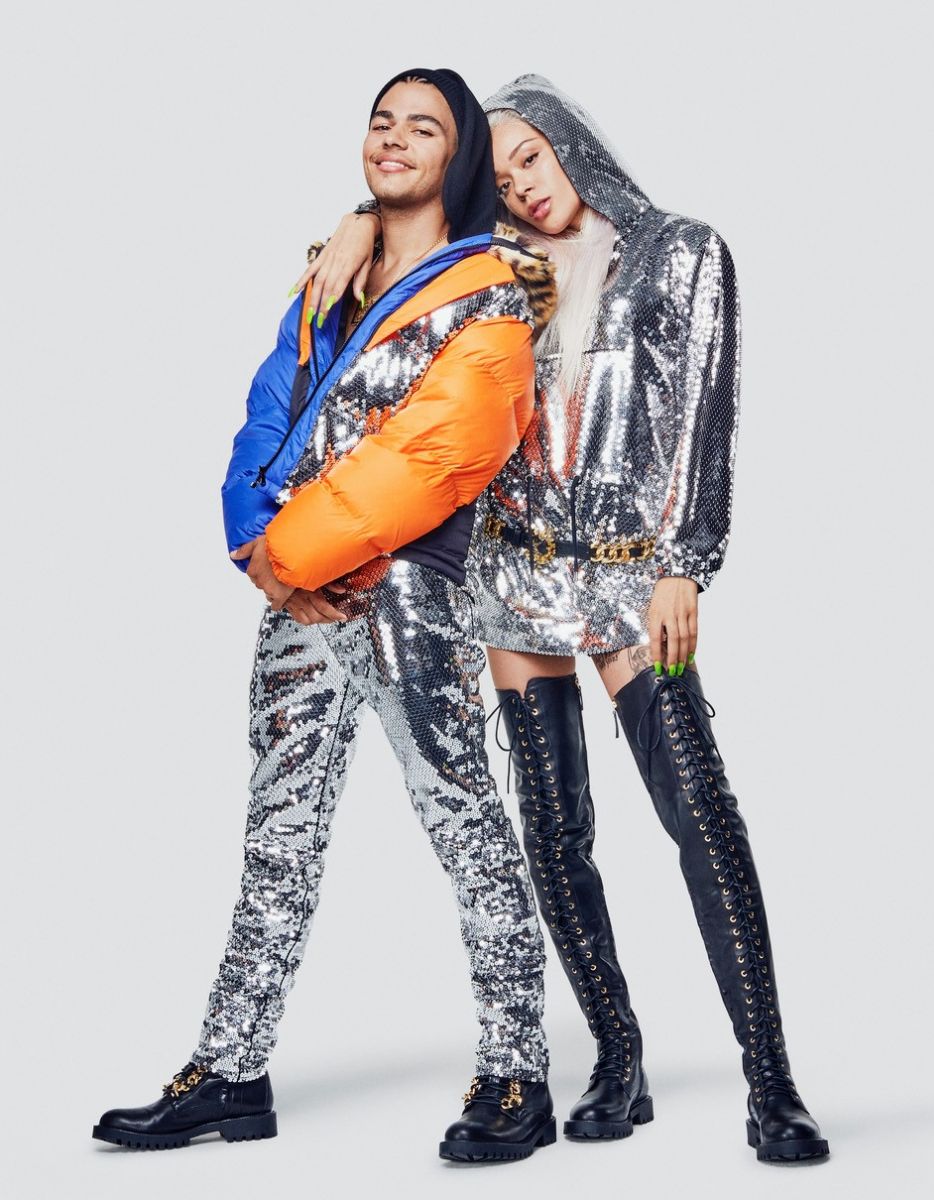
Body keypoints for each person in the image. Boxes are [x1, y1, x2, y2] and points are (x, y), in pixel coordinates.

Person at [297, 73, 829, 1164]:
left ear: (568, 140)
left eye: (530, 159)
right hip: (514, 577)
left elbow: (706, 419)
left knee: (700, 817)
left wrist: (687, 563)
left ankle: (771, 1082)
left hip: (635, 580)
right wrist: (355, 223)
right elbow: (409, 261)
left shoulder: (680, 253)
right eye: (497, 179)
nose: (523, 189)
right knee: (553, 831)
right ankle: (617, 1058)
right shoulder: (493, 272)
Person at [92, 68, 561, 1164]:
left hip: (408, 598)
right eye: (380, 121)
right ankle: (230, 1071)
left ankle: (517, 1073)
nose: (392, 139)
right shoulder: (332, 277)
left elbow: (435, 453)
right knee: (277, 838)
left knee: (466, 827)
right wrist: (256, 549)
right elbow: (270, 405)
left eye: (422, 128)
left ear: (459, 157)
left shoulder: (491, 298)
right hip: (297, 599)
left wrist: (289, 554)